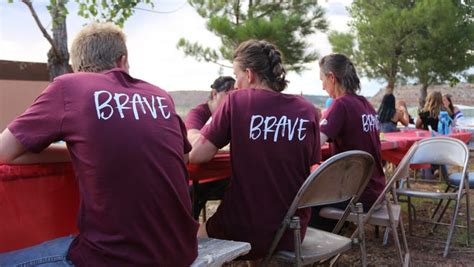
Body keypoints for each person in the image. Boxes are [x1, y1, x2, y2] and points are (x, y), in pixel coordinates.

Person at [0, 22, 198, 266]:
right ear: (122, 60)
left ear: (75, 67)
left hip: (113, 259)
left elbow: (4, 151)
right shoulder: (160, 95)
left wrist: (76, 152)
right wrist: (83, 152)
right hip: (182, 252)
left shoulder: (69, 86)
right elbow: (183, 158)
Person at [188, 39, 321, 260]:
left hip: (244, 226)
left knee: (192, 243)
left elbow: (197, 155)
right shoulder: (306, 109)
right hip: (292, 231)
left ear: (249, 75)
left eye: (237, 75)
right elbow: (309, 163)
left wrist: (193, 133)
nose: (236, 85)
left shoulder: (237, 101)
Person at [310, 53, 385, 231]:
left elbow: (313, 145)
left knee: (304, 198)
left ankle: (320, 248)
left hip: (357, 195)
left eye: (323, 80)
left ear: (332, 77)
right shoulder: (365, 104)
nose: (322, 87)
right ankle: (338, 233)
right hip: (376, 190)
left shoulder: (340, 105)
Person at [185, 76, 235, 218]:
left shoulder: (233, 114)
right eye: (229, 95)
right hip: (201, 174)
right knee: (193, 193)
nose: (233, 100)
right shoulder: (199, 113)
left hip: (223, 172)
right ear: (214, 94)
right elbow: (192, 139)